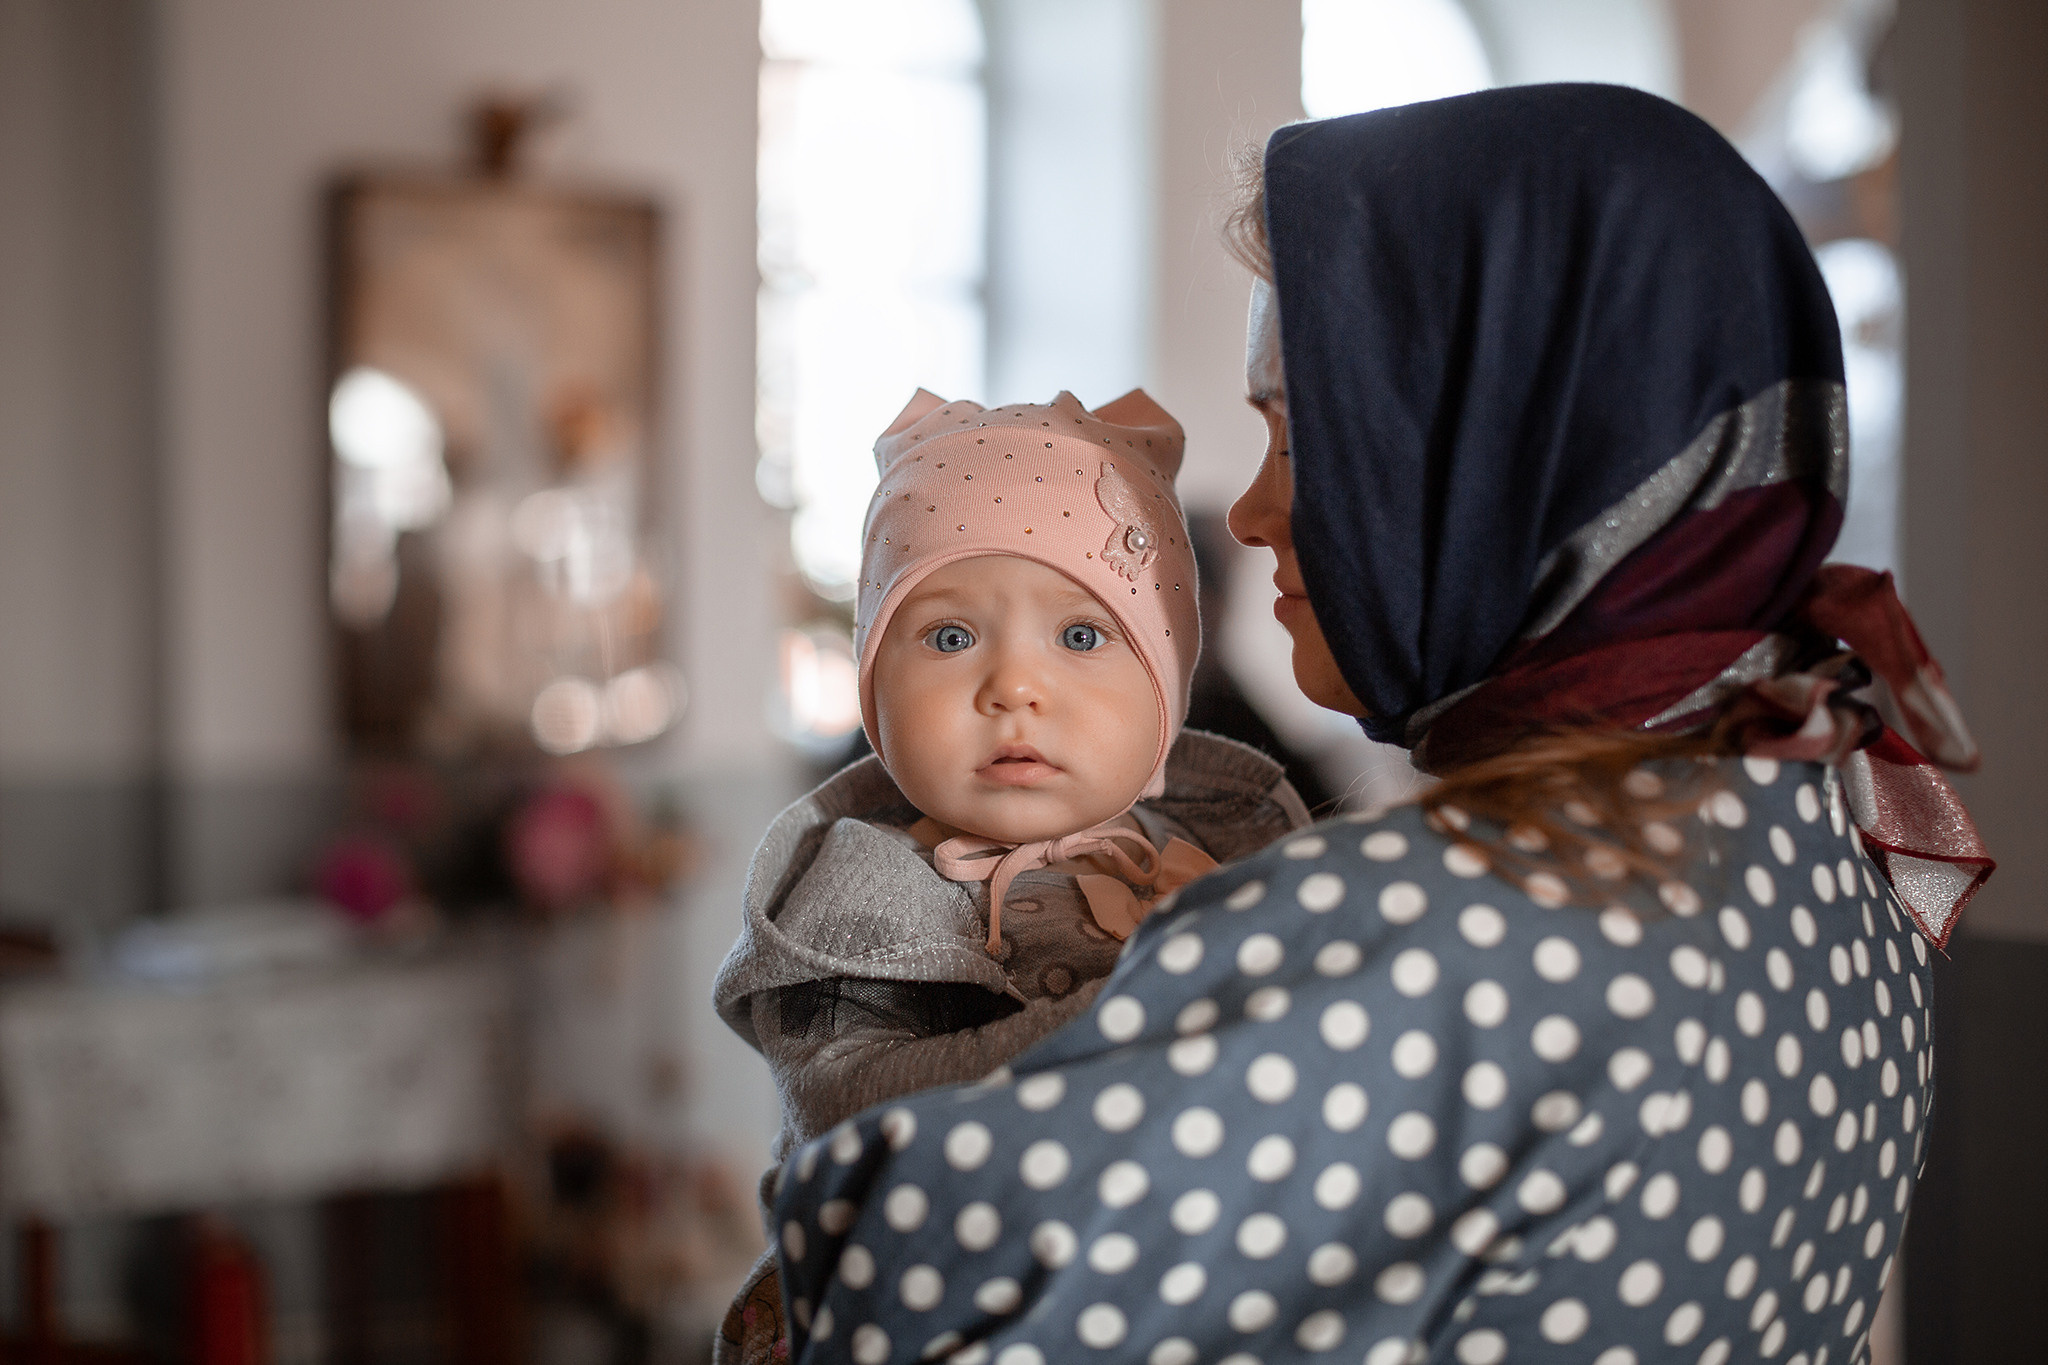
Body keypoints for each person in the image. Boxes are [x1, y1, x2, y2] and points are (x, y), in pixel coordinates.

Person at [767, 85, 1992, 1365]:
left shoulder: (1404, 941)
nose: (1245, 515)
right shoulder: (1843, 824)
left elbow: (874, 1304)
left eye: (1294, 438)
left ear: (1493, 444)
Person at [712, 388, 1310, 1363]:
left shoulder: (1230, 859)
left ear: (1166, 679)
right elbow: (857, 1113)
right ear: (872, 688)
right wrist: (1165, 1011)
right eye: (949, 638)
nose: (1013, 688)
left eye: (1081, 636)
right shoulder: (855, 891)